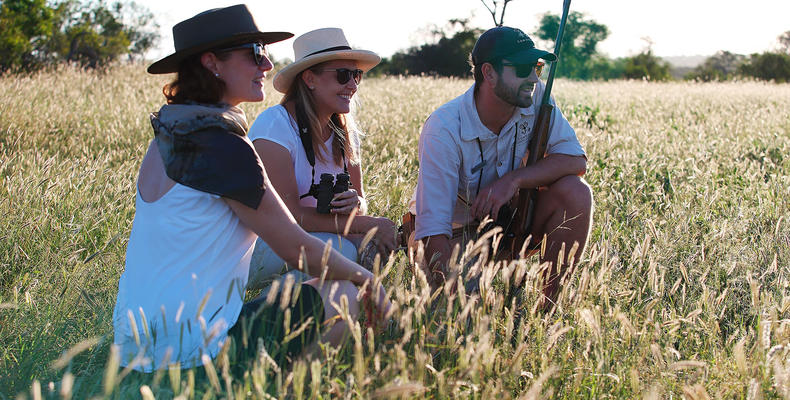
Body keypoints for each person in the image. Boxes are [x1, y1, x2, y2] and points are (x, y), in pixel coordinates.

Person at [112, 5, 389, 373]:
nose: (267, 66)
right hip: (192, 355)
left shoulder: (171, 132)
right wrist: (369, 279)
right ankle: (280, 388)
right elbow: (294, 246)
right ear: (212, 63)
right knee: (346, 293)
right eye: (255, 53)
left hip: (137, 348)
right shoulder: (220, 144)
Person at [410, 26, 593, 306]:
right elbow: (433, 229)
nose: (533, 77)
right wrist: (452, 292)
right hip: (455, 234)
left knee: (576, 192)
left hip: (511, 222)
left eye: (537, 67)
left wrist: (513, 180)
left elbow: (575, 161)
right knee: (460, 311)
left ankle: (548, 309)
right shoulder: (443, 128)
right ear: (489, 73)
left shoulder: (538, 97)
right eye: (522, 68)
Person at [246, 27, 398, 290]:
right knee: (345, 254)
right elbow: (289, 216)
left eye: (356, 75)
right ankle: (265, 315)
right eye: (342, 75)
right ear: (310, 79)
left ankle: (322, 316)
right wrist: (368, 225)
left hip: (314, 238)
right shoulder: (275, 126)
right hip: (262, 244)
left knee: (369, 248)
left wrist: (356, 204)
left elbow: (360, 204)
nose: (352, 85)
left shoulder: (346, 132)